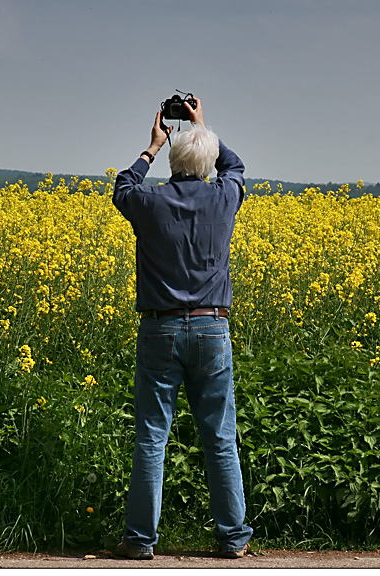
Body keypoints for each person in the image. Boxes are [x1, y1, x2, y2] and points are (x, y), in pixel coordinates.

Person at [111, 95, 254, 560]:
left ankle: (139, 541)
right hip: (212, 329)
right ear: (208, 161)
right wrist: (203, 126)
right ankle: (232, 537)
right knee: (219, 435)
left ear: (172, 159)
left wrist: (152, 147)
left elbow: (122, 187)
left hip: (160, 329)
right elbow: (235, 166)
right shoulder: (224, 196)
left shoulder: (149, 200)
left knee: (152, 435)